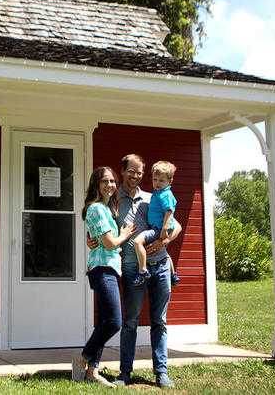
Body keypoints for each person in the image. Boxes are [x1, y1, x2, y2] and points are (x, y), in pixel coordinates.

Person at [87, 154, 182, 389]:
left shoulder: (153, 197)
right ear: (123, 172)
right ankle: (125, 373)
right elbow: (100, 228)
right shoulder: (113, 201)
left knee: (159, 321)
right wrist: (91, 239)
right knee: (130, 322)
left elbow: (176, 225)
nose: (136, 176)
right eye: (132, 171)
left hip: (160, 265)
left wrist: (163, 242)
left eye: (140, 172)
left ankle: (161, 372)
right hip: (131, 268)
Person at [72, 166, 136, 387]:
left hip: (109, 268)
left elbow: (98, 239)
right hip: (102, 268)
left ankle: (92, 371)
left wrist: (94, 240)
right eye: (104, 181)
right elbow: (109, 243)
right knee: (114, 322)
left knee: (103, 322)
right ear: (96, 185)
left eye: (112, 181)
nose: (110, 185)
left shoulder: (107, 209)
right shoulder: (97, 208)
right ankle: (82, 359)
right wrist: (124, 234)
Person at [130, 161, 181, 287]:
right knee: (164, 253)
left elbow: (169, 211)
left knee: (137, 242)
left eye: (161, 180)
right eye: (155, 179)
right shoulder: (158, 193)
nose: (157, 183)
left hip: (159, 229)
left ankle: (142, 271)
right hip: (158, 227)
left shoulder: (165, 194)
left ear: (170, 181)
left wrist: (164, 229)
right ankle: (173, 274)